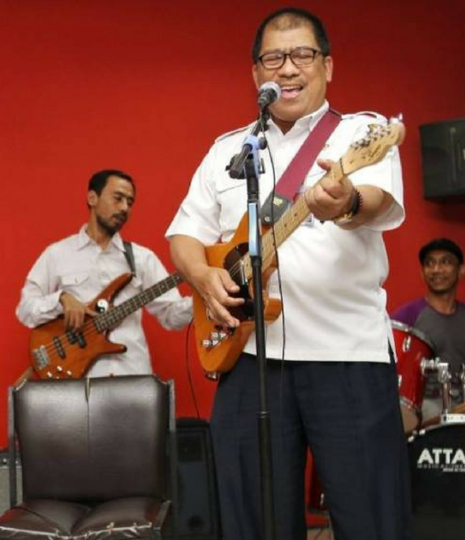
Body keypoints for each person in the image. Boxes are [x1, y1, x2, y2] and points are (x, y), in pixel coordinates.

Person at [166, 8, 409, 540]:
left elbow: (378, 202)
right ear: (256, 74)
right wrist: (204, 280)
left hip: (346, 357)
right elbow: (184, 234)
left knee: (372, 517)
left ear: (328, 65)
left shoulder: (360, 132)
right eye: (273, 57)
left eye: (303, 55)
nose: (288, 68)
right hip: (251, 360)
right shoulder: (228, 150)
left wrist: (345, 202)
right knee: (252, 522)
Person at [16, 169, 192, 377]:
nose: (125, 208)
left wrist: (205, 296)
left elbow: (172, 316)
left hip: (132, 377)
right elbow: (25, 310)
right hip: (79, 381)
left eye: (130, 202)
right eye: (118, 198)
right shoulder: (57, 254)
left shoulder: (142, 258)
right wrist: (61, 300)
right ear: (92, 198)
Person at [392, 238, 465, 420]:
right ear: (422, 273)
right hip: (424, 404)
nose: (436, 269)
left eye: (445, 262)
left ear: (461, 271)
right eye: (429, 263)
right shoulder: (405, 316)